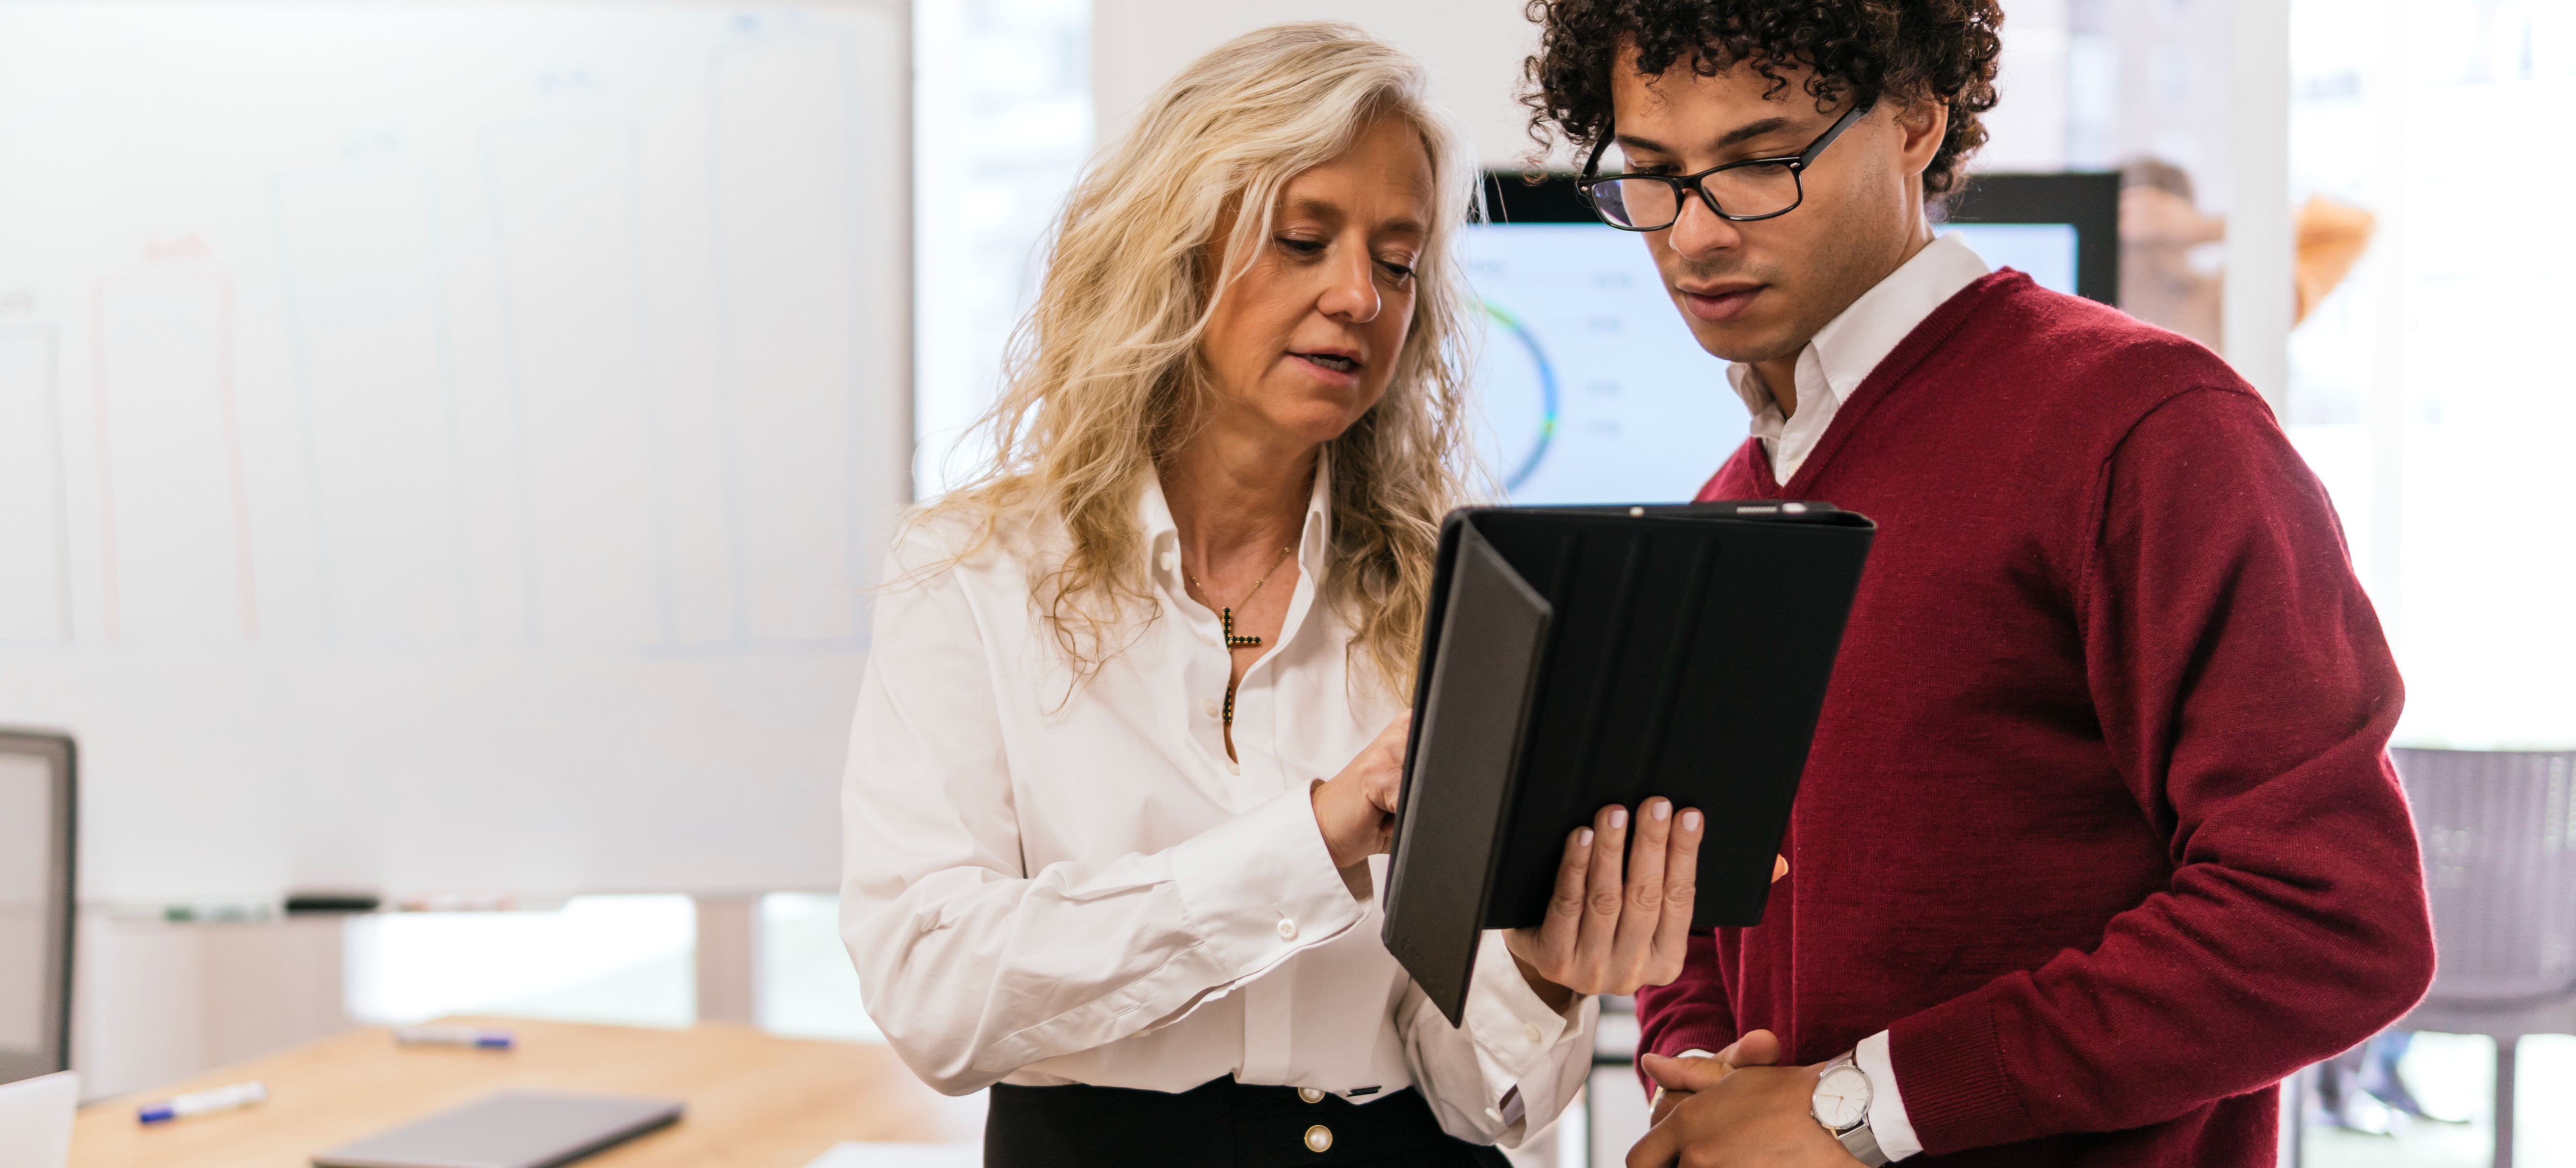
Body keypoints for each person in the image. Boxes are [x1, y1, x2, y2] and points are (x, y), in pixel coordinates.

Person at [1515, 2, 2438, 1166]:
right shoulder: (1726, 508)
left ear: (1915, 119)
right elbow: (1708, 917)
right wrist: (1700, 1085)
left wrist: (1852, 1106)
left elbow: (2328, 919)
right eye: (1652, 174)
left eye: (1759, 162)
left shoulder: (2145, 430)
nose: (1693, 235)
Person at [841, 23, 1731, 1168]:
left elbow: (1475, 1095)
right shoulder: (971, 572)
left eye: (1400, 262)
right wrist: (1312, 836)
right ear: (1173, 252)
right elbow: (933, 989)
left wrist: (1551, 972)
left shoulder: (1466, 595)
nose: (1360, 295)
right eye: (1304, 239)